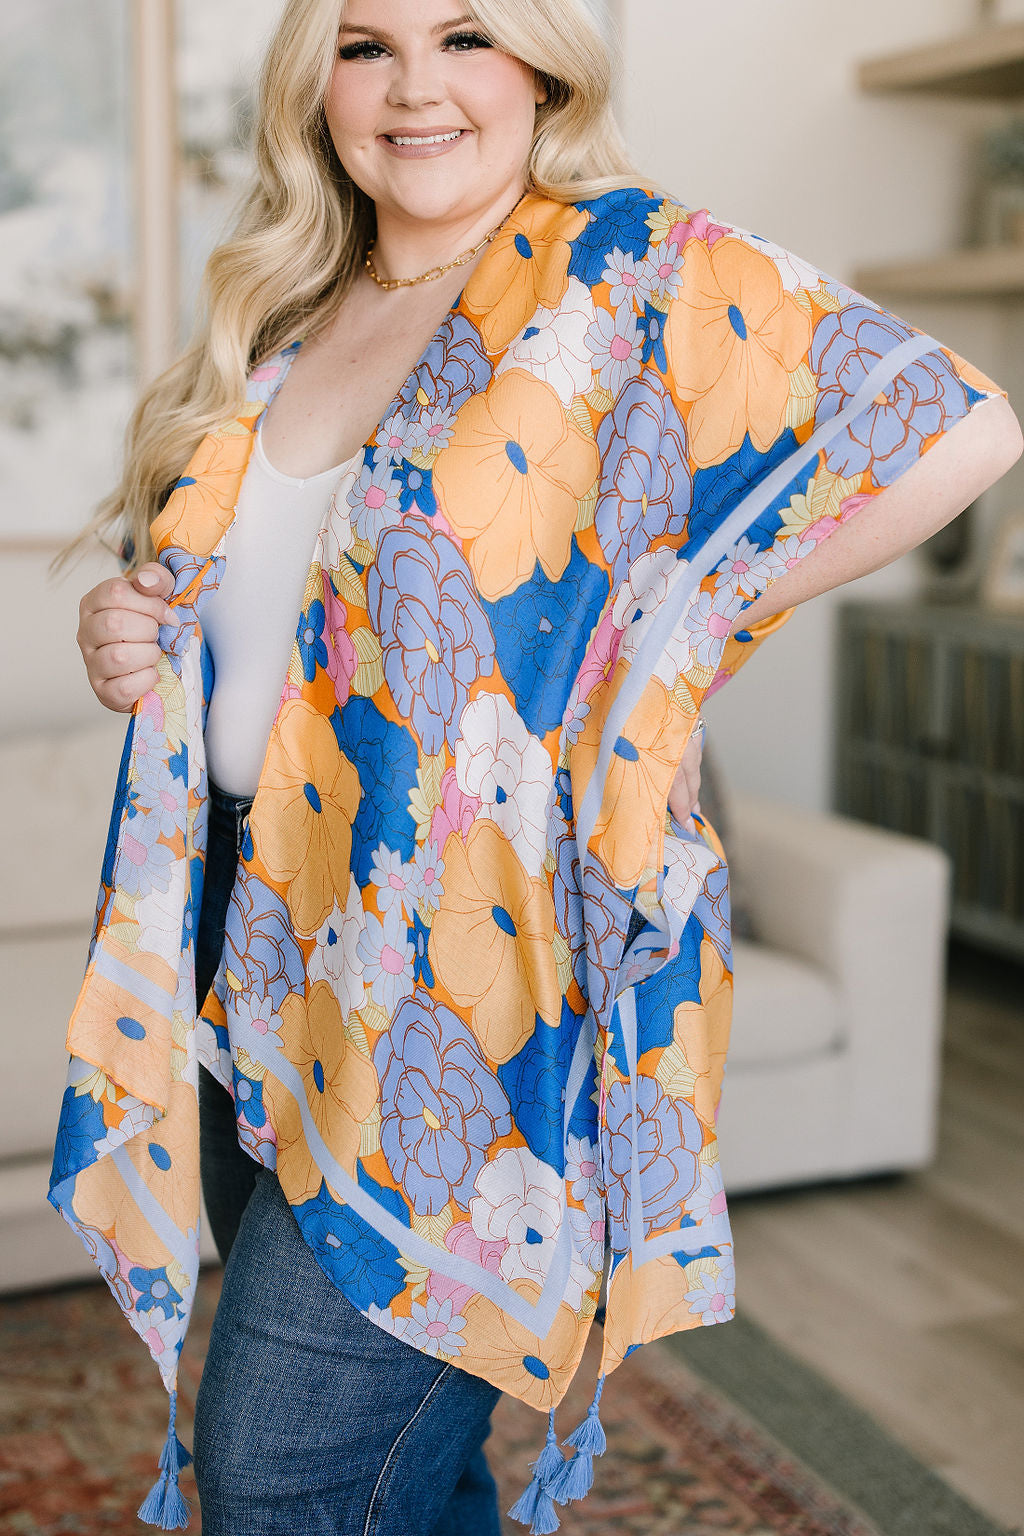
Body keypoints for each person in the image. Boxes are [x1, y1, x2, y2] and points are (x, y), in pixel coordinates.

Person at [51, 1, 1021, 1533]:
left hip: (454, 972)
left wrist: (674, 638)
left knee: (283, 1468)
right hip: (253, 927)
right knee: (407, 1469)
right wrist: (132, 627)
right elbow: (264, 616)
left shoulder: (620, 268)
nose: (415, 86)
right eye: (365, 44)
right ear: (316, 83)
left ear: (541, 65)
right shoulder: (293, 308)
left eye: (465, 35)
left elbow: (957, 427)